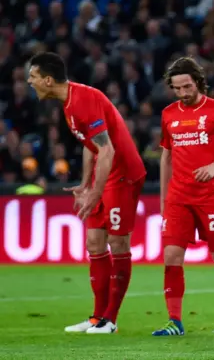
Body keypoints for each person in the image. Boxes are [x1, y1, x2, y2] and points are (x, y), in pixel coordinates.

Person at [27, 52, 147, 334]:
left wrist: (96, 192)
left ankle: (111, 320)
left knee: (118, 244)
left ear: (47, 79)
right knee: (94, 243)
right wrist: (85, 183)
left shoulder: (83, 101)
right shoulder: (68, 103)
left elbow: (108, 149)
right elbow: (90, 144)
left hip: (123, 174)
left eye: (32, 77)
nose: (29, 82)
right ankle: (97, 317)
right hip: (104, 174)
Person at [152, 57, 214, 336]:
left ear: (198, 82)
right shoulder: (169, 114)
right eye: (177, 88)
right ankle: (174, 321)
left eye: (187, 86)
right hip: (178, 197)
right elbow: (166, 159)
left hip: (210, 197)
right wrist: (163, 201)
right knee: (171, 256)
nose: (183, 93)